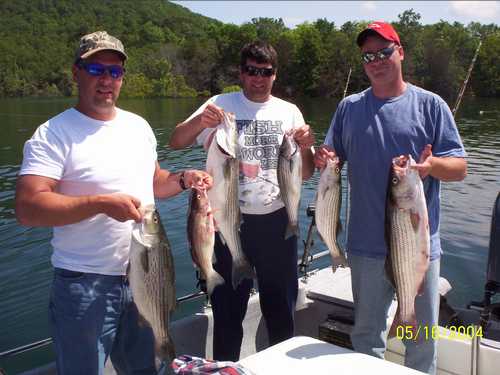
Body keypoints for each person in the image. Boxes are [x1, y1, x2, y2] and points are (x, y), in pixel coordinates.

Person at [15, 31, 212, 375]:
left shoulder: (138, 127)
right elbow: (28, 208)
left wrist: (183, 179)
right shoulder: (53, 134)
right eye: (96, 70)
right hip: (84, 286)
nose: (106, 80)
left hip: (148, 280)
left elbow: (154, 183)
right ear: (76, 72)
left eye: (115, 72)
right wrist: (99, 203)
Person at [314, 22, 467, 374]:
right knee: (366, 335)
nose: (376, 60)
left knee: (423, 337)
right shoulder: (348, 108)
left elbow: (459, 168)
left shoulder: (431, 105)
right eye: (368, 55)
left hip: (419, 246)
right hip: (363, 248)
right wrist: (324, 159)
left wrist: (431, 166)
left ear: (400, 52)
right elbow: (330, 160)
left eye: (384, 51)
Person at [169, 41, 315, 361]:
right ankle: (225, 367)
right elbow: (176, 141)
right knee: (227, 315)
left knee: (280, 310)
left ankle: (280, 367)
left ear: (275, 75)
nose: (257, 78)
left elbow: (304, 173)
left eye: (265, 72)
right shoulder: (220, 104)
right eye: (251, 71)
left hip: (277, 222)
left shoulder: (288, 111)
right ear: (240, 72)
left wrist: (307, 146)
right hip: (224, 223)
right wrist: (199, 122)